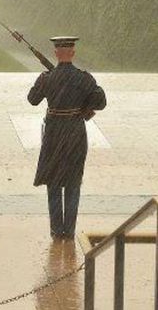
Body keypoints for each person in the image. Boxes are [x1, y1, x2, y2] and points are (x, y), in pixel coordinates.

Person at [28, 36, 106, 240]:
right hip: (74, 132)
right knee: (73, 181)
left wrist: (46, 80)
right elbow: (101, 101)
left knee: (53, 181)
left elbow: (32, 99)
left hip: (54, 133)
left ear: (55, 53)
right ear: (72, 52)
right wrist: (83, 105)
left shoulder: (47, 78)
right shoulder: (84, 78)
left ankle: (56, 230)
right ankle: (69, 231)